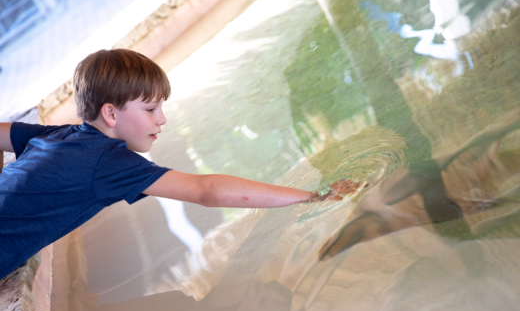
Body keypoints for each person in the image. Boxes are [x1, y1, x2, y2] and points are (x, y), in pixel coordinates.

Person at [0, 48, 358, 279]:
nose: (163, 119)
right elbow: (208, 190)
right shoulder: (106, 161)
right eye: (151, 109)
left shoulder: (57, 136)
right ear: (110, 113)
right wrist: (312, 196)